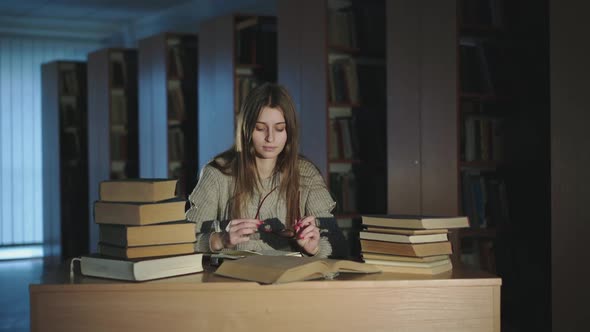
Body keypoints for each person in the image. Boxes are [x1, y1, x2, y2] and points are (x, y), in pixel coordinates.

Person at [186, 83, 346, 258]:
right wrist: (220, 239)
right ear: (246, 129)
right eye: (260, 128)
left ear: (289, 132)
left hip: (290, 283)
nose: (270, 138)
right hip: (232, 282)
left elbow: (338, 245)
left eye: (279, 129)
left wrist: (314, 248)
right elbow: (182, 242)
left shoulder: (306, 174)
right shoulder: (217, 173)